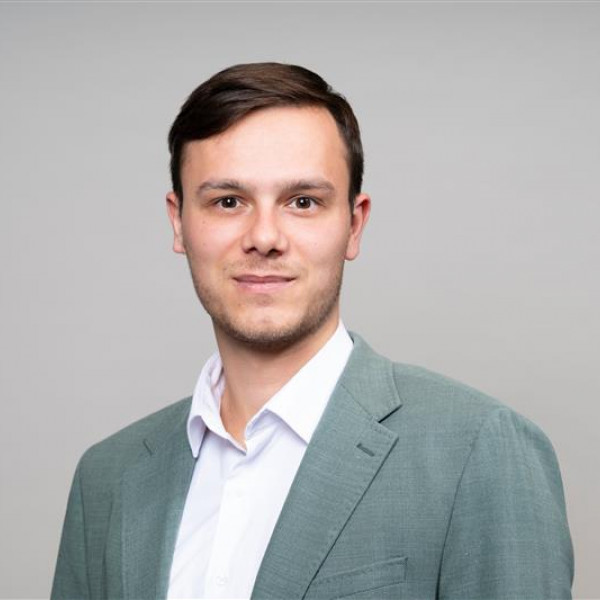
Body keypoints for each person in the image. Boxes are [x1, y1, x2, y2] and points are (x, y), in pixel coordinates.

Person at [51, 62, 574, 600]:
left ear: (354, 224)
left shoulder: (478, 450)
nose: (264, 237)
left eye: (303, 202)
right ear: (178, 221)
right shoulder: (107, 479)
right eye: (228, 201)